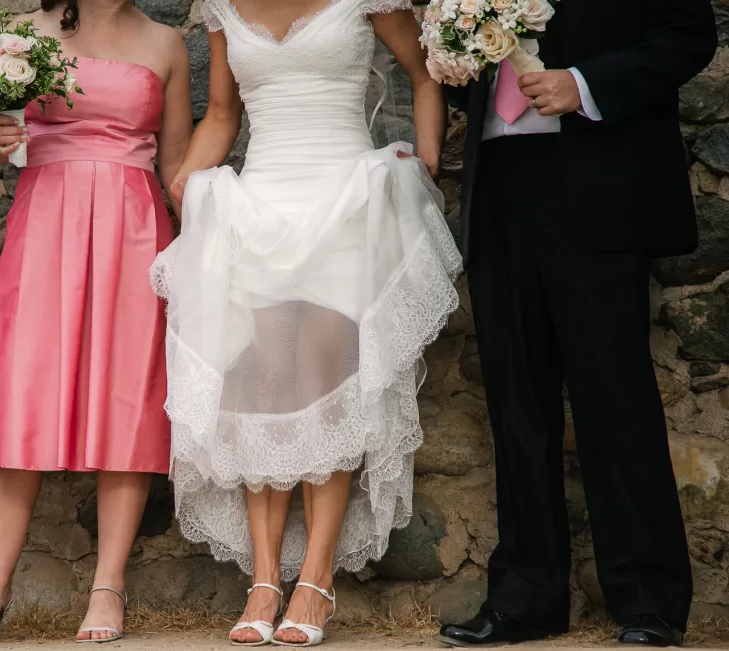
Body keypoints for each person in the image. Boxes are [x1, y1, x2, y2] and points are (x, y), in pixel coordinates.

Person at [150, 0, 462, 645]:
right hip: (263, 201)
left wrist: (426, 161)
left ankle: (316, 582)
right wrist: (185, 186)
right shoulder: (221, 6)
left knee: (326, 371)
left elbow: (424, 72)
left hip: (346, 199)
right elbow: (223, 114)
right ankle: (265, 582)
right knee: (262, 379)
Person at [436, 0, 717, 647]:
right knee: (514, 398)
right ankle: (526, 596)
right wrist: (455, 58)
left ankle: (648, 597)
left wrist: (584, 84)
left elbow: (689, 33)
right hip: (499, 182)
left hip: (599, 173)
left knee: (614, 393)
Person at [0, 0, 192, 645]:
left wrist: (216, 226)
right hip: (46, 215)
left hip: (134, 225)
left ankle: (108, 585)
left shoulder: (165, 42)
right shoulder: (22, 35)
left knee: (126, 393)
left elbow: (176, 163)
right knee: (22, 388)